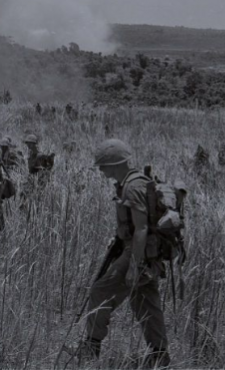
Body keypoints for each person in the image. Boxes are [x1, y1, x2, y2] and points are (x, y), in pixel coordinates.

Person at [80, 138, 170, 367]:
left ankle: (90, 349)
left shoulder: (132, 186)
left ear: (115, 163)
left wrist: (133, 266)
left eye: (103, 165)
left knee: (100, 292)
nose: (100, 169)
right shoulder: (132, 182)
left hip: (137, 253)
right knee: (145, 300)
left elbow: (141, 228)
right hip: (146, 252)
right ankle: (160, 355)